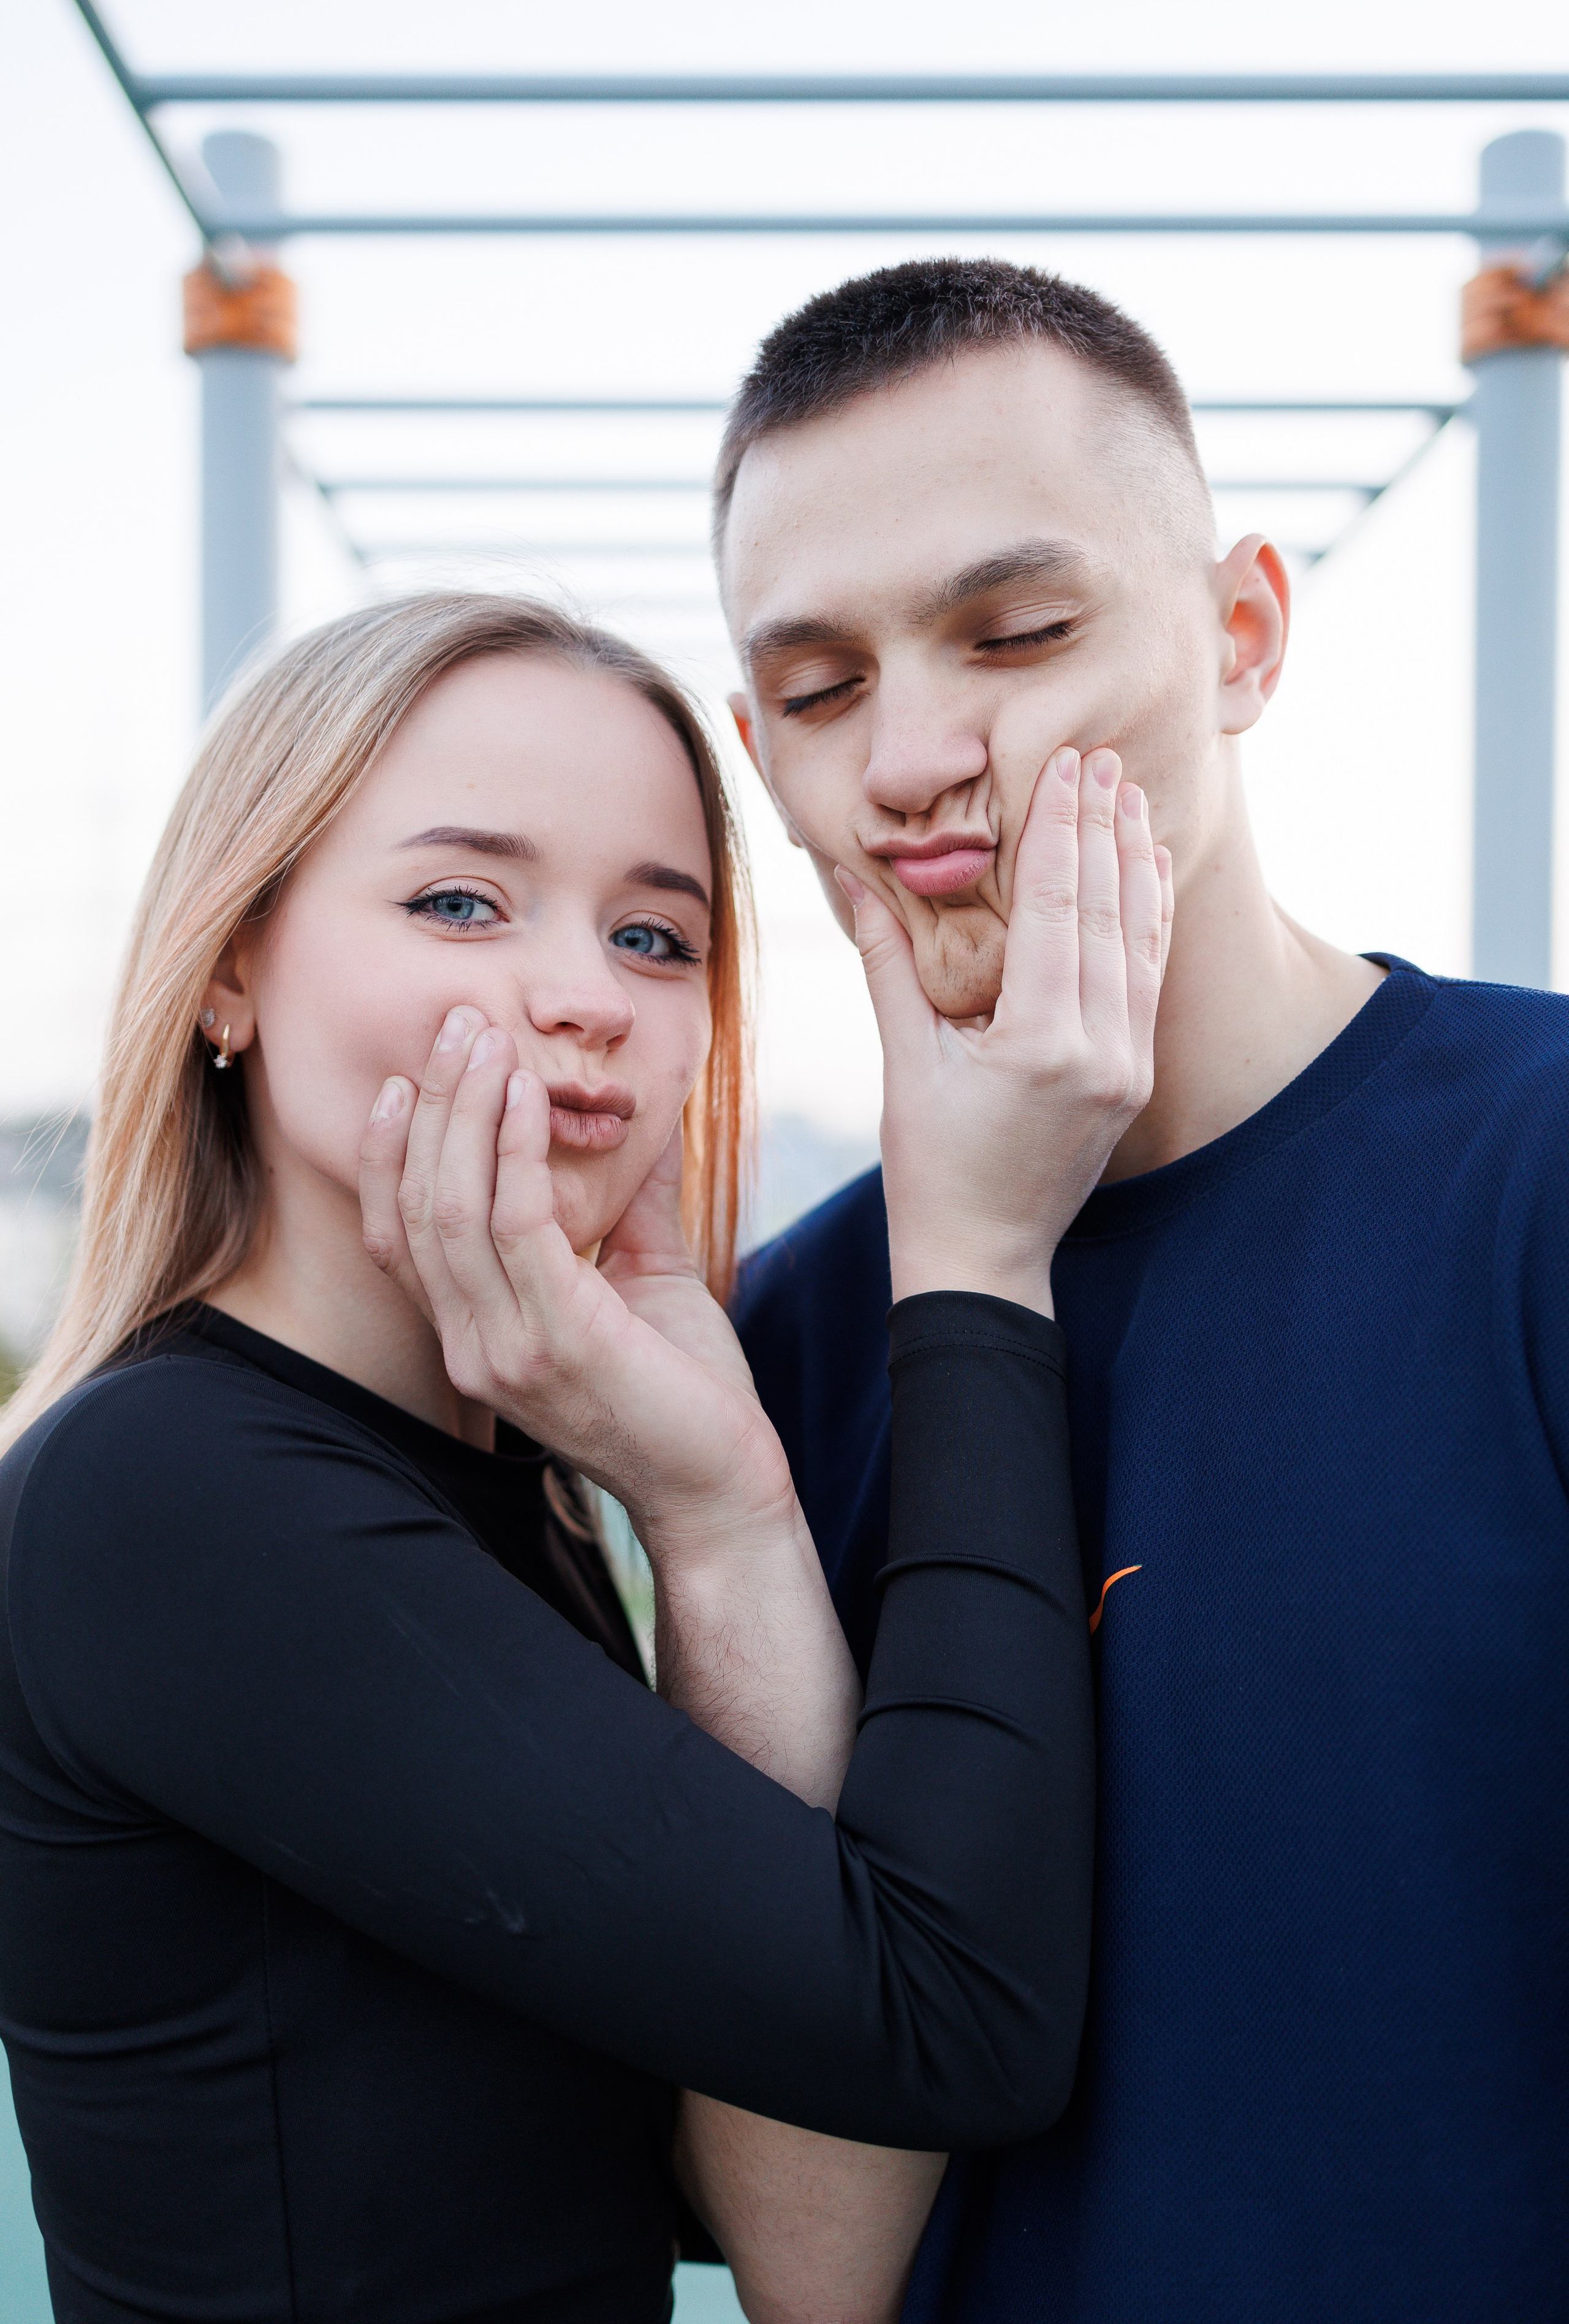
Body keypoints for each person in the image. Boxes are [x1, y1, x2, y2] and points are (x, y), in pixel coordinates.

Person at [0, 590, 1170, 2324]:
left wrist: (719, 1514)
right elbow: (953, 2027)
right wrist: (977, 1269)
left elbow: (809, 2241)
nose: (583, 999)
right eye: (461, 901)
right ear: (232, 964)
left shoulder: (503, 1484)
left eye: (655, 937)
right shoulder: (171, 1495)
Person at [722, 260, 1569, 2323]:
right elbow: (806, 2249)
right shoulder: (776, 1352)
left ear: (1243, 635)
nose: (912, 759)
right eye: (820, 692)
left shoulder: (1534, 1177)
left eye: (1014, 635)